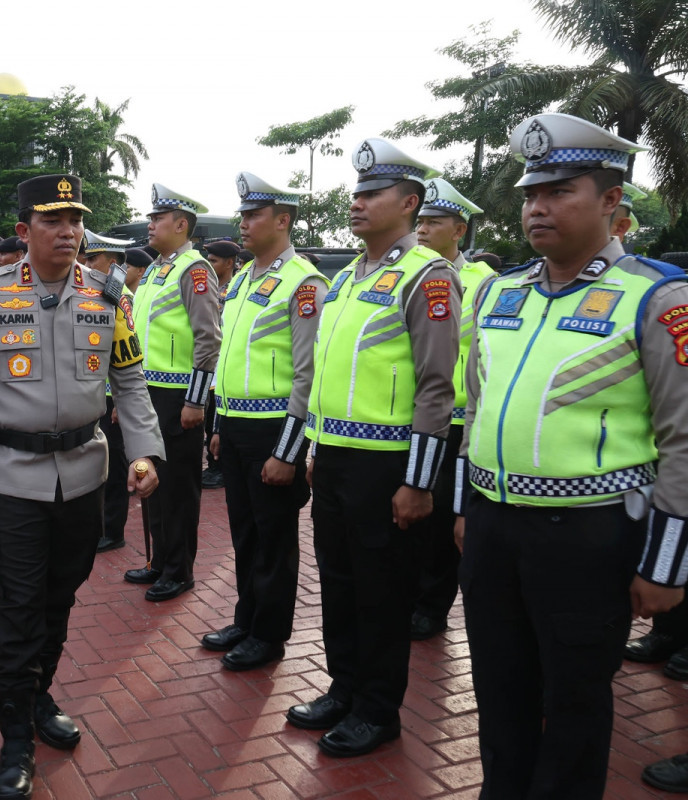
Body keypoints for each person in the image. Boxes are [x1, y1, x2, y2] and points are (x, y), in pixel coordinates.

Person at [454, 112, 688, 799]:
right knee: (499, 688)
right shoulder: (500, 292)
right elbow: (476, 409)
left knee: (576, 703)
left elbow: (683, 439)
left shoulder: (656, 297)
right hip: (495, 529)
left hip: (589, 535)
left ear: (612, 200)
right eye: (531, 194)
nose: (537, 208)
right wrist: (471, 505)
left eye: (560, 192)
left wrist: (667, 562)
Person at [0, 175, 163, 800]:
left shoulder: (105, 297)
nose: (69, 231)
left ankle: (38, 696)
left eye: (75, 220)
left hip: (85, 473)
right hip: (10, 478)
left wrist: (144, 451)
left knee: (61, 596)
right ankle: (14, 738)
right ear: (23, 231)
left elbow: (132, 381)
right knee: (18, 605)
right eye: (53, 220)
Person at [290, 139, 458, 758]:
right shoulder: (346, 278)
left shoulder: (428, 276)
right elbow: (330, 373)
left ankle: (379, 709)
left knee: (383, 589)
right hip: (335, 459)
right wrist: (315, 446)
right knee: (338, 580)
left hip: (388, 465)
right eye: (355, 193)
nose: (356, 203)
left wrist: (418, 481)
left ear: (409, 202)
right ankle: (345, 688)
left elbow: (438, 386)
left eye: (371, 194)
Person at [205, 173, 326, 671]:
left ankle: (269, 634)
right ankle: (247, 616)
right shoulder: (243, 281)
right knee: (244, 532)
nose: (244, 223)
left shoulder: (303, 282)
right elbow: (227, 360)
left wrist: (288, 450)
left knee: (274, 538)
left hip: (274, 430)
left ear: (283, 220)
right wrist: (217, 424)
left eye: (254, 215)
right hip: (235, 426)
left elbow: (307, 374)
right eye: (243, 214)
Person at [409, 178, 495, 641]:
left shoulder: (483, 281)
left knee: (444, 515)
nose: (422, 230)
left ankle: (432, 605)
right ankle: (413, 595)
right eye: (419, 221)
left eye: (434, 222)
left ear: (459, 230)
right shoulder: (408, 273)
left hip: (458, 418)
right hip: (414, 416)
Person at [126, 183, 221, 602]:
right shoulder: (155, 268)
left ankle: (179, 570)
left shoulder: (195, 270)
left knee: (180, 487)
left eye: (158, 218)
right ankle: (158, 560)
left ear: (181, 225)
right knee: (152, 481)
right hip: (149, 391)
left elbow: (208, 339)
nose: (150, 224)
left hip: (179, 395)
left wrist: (196, 400)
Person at [81, 230, 137, 554]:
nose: (85, 264)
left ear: (111, 262)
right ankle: (102, 523)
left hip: (112, 395)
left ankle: (113, 530)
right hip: (97, 396)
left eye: (92, 259)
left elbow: (125, 356)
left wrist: (119, 400)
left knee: (114, 465)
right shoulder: (95, 293)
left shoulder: (118, 296)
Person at [200, 239, 243, 490]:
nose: (209, 264)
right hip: (211, 366)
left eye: (214, 260)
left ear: (229, 263)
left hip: (224, 367)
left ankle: (219, 468)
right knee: (210, 422)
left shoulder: (233, 290)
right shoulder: (211, 288)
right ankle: (215, 465)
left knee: (217, 419)